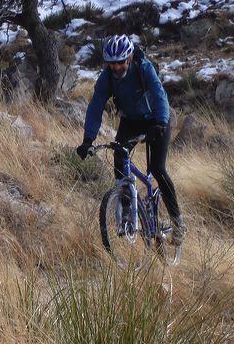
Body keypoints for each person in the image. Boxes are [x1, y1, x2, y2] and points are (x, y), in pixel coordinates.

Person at [76, 34, 185, 245]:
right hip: (131, 121)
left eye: (119, 62)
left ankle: (178, 223)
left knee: (157, 169)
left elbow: (159, 94)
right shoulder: (107, 77)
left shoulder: (144, 68)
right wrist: (88, 139)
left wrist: (161, 123)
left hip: (155, 119)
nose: (115, 68)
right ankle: (126, 209)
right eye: (111, 64)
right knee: (119, 155)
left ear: (129, 58)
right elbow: (96, 105)